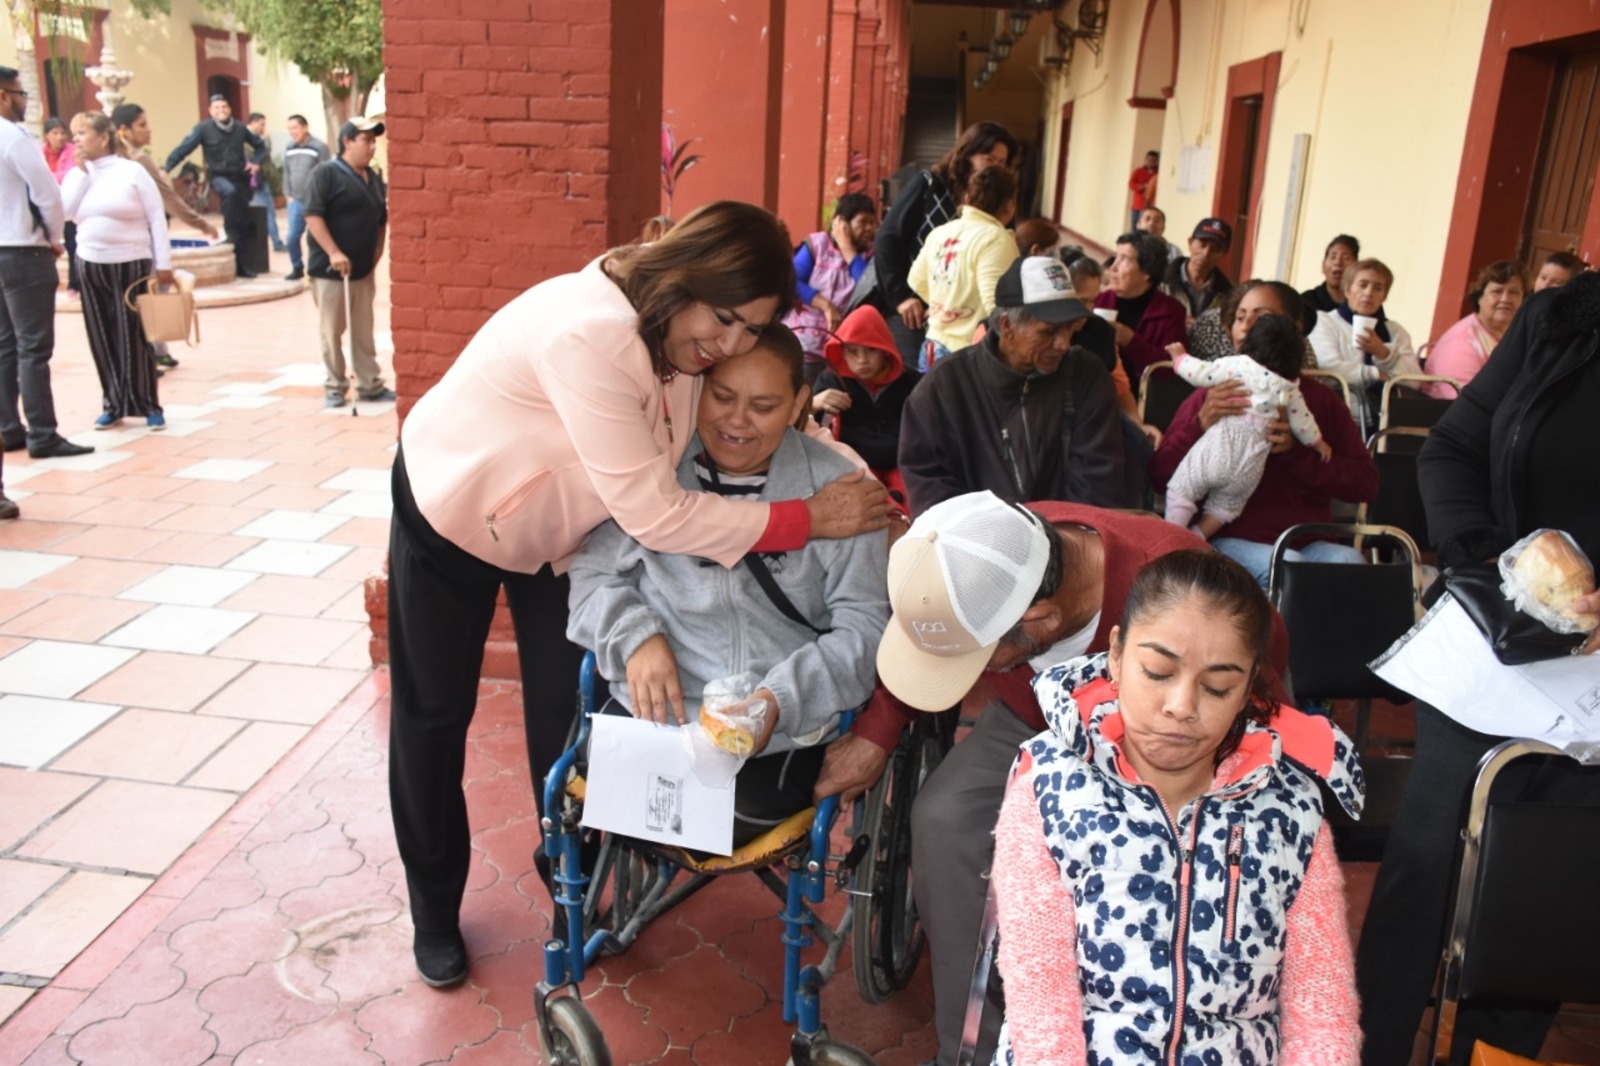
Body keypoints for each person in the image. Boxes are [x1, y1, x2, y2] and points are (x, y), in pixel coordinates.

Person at [387, 200, 891, 990]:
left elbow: (689, 463)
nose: (728, 345)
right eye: (723, 318)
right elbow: (657, 513)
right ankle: (433, 908)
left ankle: (570, 882)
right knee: (433, 714)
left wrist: (806, 458)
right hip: (457, 508)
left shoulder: (681, 337)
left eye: (750, 329)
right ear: (686, 278)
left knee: (565, 709)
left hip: (562, 527)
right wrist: (808, 518)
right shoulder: (589, 334)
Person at [851, 489, 1287, 1066]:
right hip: (1034, 718)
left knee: (1149, 869)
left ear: (1041, 621)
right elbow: (931, 642)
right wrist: (877, 730)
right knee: (945, 819)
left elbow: (1259, 698)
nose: (966, 672)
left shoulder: (1182, 588)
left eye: (973, 658)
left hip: (1183, 738)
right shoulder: (995, 545)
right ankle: (973, 1051)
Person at [1355, 269, 1600, 1066]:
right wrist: (1495, 562)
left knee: (1542, 906)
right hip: (1495, 643)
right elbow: (1455, 447)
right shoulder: (1563, 319)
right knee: (1423, 874)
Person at [992, 550, 1363, 1066]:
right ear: (1116, 655)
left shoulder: (1291, 810)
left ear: (1249, 687)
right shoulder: (1048, 788)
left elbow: (1321, 1008)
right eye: (1158, 672)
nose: (1182, 706)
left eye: (1217, 687)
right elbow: (1040, 1000)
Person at [567, 327, 888, 845]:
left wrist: (778, 700)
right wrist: (635, 637)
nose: (737, 420)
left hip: (780, 737)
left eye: (763, 405)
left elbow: (866, 628)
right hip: (656, 720)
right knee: (600, 786)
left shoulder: (842, 492)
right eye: (721, 396)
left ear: (798, 404)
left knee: (699, 812)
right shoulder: (655, 474)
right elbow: (591, 576)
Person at [1153, 289, 1376, 588]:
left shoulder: (1315, 399)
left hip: (1305, 539)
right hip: (1226, 538)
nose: (1246, 327)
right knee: (1289, 567)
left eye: (1261, 318)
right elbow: (1160, 476)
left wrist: (1298, 454)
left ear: (1294, 329)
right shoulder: (1216, 390)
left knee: (1350, 562)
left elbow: (1366, 483)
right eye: (1240, 318)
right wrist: (1200, 424)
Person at [898, 256, 1132, 515]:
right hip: (976, 537)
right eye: (1048, 332)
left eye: (1069, 329)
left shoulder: (1086, 375)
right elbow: (930, 489)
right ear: (1007, 326)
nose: (1063, 344)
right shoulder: (944, 387)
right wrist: (1003, 535)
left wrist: (1055, 535)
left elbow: (1099, 483)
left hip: (1072, 534)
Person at [1164, 314, 1332, 537]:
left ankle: (1172, 537)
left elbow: (1201, 373)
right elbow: (1303, 422)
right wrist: (1317, 442)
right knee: (1225, 508)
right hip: (1251, 464)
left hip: (1218, 450)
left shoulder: (1238, 365)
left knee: (1182, 490)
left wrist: (1180, 358)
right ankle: (1197, 537)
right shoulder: (1290, 387)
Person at [0, 66, 92, 461]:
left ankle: (8, 429)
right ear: (3, 96)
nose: (24, 101)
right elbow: (48, 194)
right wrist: (53, 238)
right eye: (20, 93)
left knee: (5, 346)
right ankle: (42, 434)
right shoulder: (13, 137)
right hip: (24, 252)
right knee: (33, 348)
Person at [61, 111, 173, 432]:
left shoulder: (131, 171)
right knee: (102, 335)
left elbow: (156, 217)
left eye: (82, 133)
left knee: (134, 335)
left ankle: (148, 404)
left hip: (131, 264)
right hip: (90, 263)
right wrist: (81, 175)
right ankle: (113, 404)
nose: (76, 139)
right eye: (74, 134)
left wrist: (163, 263)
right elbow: (65, 213)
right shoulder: (77, 175)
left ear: (103, 137)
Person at [874, 121, 1019, 369]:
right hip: (914, 312)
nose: (995, 167)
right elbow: (888, 238)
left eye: (1002, 162)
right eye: (989, 159)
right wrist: (902, 298)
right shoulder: (930, 183)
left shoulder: (997, 211)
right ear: (968, 154)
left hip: (956, 324)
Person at [112, 103, 220, 374]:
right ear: (124, 130)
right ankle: (150, 354)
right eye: (142, 125)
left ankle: (156, 352)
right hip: (141, 241)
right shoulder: (138, 161)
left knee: (137, 298)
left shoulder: (113, 161)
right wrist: (202, 225)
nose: (149, 130)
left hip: (119, 244)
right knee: (150, 296)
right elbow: (168, 199)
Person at [304, 117, 394, 408]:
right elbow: (313, 215)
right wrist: (333, 252)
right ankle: (335, 385)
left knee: (363, 331)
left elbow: (381, 220)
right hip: (331, 271)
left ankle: (369, 383)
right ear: (347, 142)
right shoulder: (326, 173)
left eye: (373, 141)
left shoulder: (373, 178)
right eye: (365, 140)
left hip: (363, 271)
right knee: (332, 331)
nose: (371, 146)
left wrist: (377, 252)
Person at [907, 164, 1019, 367]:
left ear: (967, 198)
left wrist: (945, 308)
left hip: (932, 346)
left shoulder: (940, 232)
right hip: (968, 355)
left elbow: (916, 280)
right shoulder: (995, 239)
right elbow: (997, 305)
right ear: (1010, 205)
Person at [809, 304, 918, 505]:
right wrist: (814, 404)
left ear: (886, 350)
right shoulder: (831, 380)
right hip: (851, 464)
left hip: (903, 463)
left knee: (912, 501)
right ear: (841, 351)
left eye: (871, 350)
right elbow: (802, 427)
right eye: (853, 351)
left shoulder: (913, 382)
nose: (862, 360)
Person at [1307, 257, 1422, 434]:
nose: (1369, 293)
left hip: (1386, 420)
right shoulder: (1325, 322)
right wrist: (1374, 373)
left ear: (1384, 296)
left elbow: (1414, 382)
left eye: (1378, 288)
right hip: (1338, 415)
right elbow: (1327, 368)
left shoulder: (1395, 331)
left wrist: (1384, 353)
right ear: (1347, 289)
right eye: (1363, 285)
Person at [163, 94, 265, 278]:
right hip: (218, 177)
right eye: (217, 107)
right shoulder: (203, 129)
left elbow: (260, 146)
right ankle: (229, 231)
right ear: (210, 111)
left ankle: (241, 265)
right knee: (230, 195)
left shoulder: (240, 128)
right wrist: (167, 168)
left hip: (240, 178)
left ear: (230, 109)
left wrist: (256, 162)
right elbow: (184, 149)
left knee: (241, 220)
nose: (221, 110)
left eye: (224, 107)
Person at [780, 191, 876, 381]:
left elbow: (867, 285)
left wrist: (847, 248)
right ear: (842, 223)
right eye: (863, 222)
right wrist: (826, 306)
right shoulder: (818, 245)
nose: (869, 228)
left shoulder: (869, 255)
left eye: (872, 223)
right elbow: (793, 280)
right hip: (804, 344)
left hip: (841, 349)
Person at [1094, 230, 1188, 390]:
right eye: (1115, 257)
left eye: (1124, 259)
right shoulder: (1098, 301)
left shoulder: (1171, 312)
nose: (1113, 267)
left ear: (1146, 272)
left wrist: (1130, 340)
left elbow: (1171, 369)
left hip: (1143, 396)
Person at [1423, 259, 1527, 398]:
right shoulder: (1462, 342)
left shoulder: (1518, 337)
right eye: (1497, 291)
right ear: (1479, 297)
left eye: (1514, 292)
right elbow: (1466, 401)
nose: (1505, 299)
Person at [280, 113, 329, 281]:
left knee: (315, 238)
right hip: (296, 201)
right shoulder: (289, 148)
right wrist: (287, 194)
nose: (292, 132)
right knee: (292, 237)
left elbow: (325, 173)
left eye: (295, 128)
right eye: (289, 128)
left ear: (305, 128)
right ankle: (297, 267)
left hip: (315, 201)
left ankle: (317, 270)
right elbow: (286, 172)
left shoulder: (319, 147)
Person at [1162, 216, 1234, 321]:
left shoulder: (1228, 294)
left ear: (1224, 254)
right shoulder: (1160, 281)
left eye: (1215, 249)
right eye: (1202, 245)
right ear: (1190, 243)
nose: (1206, 253)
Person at [41, 117, 78, 297]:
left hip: (68, 204)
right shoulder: (39, 152)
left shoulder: (73, 151)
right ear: (46, 135)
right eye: (55, 133)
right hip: (45, 205)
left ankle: (74, 284)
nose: (60, 137)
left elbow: (69, 175)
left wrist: (48, 179)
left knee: (73, 244)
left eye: (63, 133)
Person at [244, 111, 284, 254]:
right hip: (256, 181)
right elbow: (259, 154)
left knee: (266, 213)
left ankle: (271, 242)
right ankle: (275, 242)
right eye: (261, 124)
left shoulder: (253, 138)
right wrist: (266, 141)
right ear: (253, 123)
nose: (263, 128)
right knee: (266, 213)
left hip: (260, 180)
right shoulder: (247, 138)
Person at [1301, 234, 1360, 314]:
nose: (1338, 262)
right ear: (1323, 266)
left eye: (1346, 258)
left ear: (1356, 268)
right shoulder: (1306, 302)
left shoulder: (1363, 303)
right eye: (1333, 257)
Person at [1127, 149, 1159, 231]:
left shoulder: (1158, 173)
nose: (1151, 162)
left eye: (1153, 160)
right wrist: (1140, 187)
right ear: (1145, 160)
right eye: (1149, 160)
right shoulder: (1138, 171)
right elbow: (1131, 184)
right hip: (1137, 206)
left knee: (1146, 229)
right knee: (1135, 228)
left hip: (1150, 206)